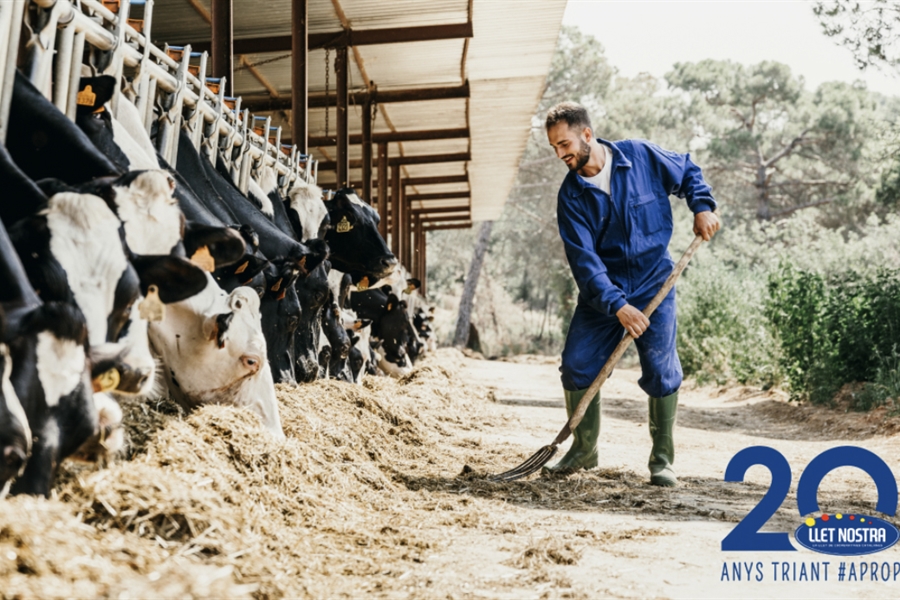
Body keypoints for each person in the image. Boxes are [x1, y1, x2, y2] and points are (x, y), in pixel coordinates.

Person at [544, 102, 720, 486]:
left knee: (661, 370)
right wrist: (618, 305)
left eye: (565, 143)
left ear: (587, 134)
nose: (561, 154)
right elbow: (584, 262)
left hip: (655, 281)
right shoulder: (571, 197)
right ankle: (583, 450)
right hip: (603, 295)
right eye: (555, 148)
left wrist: (702, 206)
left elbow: (688, 170)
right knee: (576, 365)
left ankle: (662, 460)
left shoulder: (639, 157)